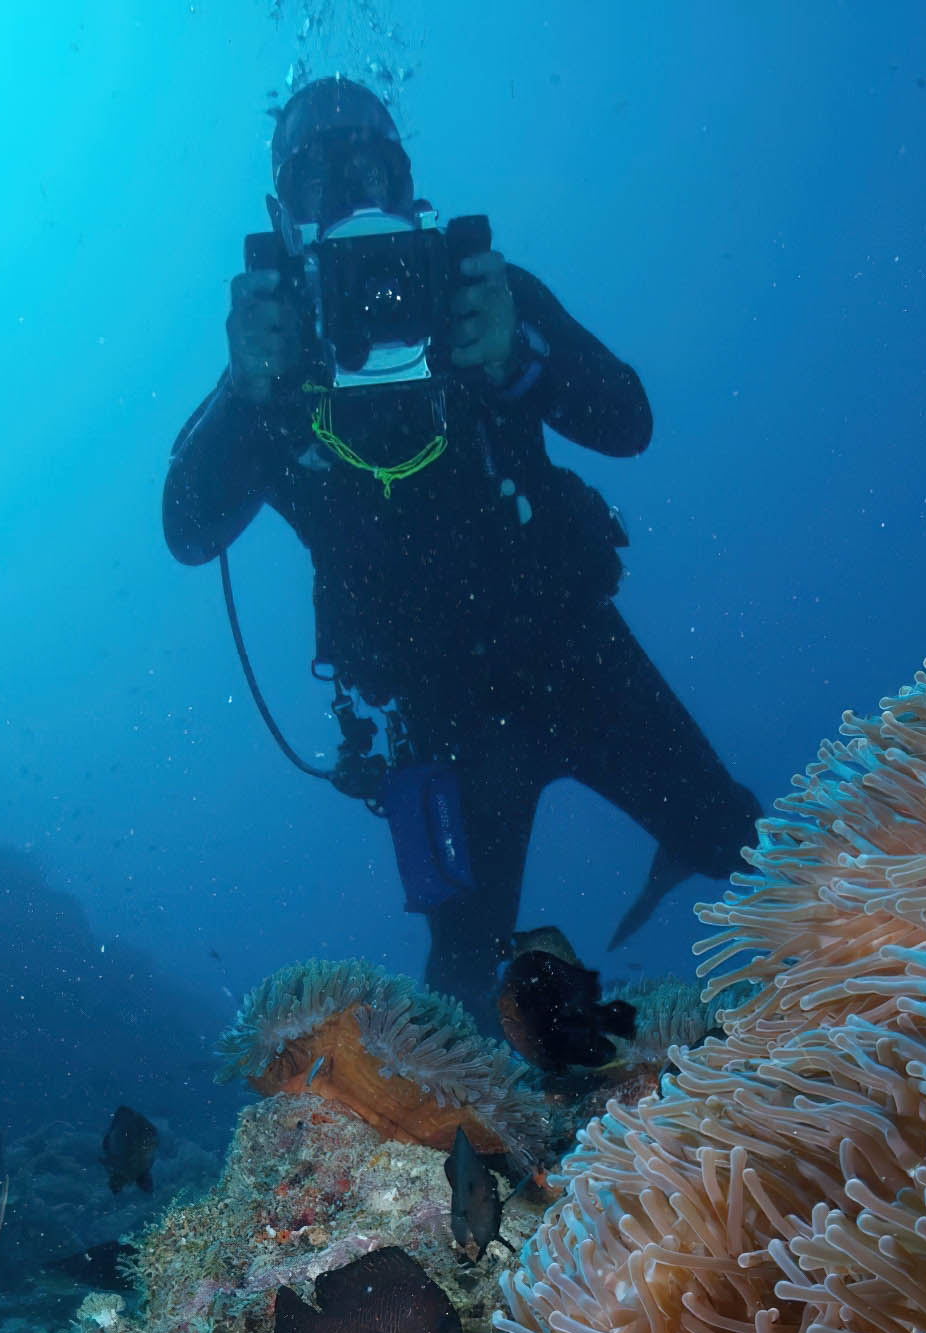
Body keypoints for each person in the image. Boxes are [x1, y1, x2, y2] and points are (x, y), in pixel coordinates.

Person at [163, 77, 762, 1007]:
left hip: (576, 650)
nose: (353, 198)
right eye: (319, 181)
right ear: (282, 216)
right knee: (464, 995)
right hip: (442, 718)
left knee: (745, 845)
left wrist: (524, 362)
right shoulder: (275, 367)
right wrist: (246, 395)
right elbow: (189, 532)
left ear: (407, 182)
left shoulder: (485, 296)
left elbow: (629, 420)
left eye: (372, 168)